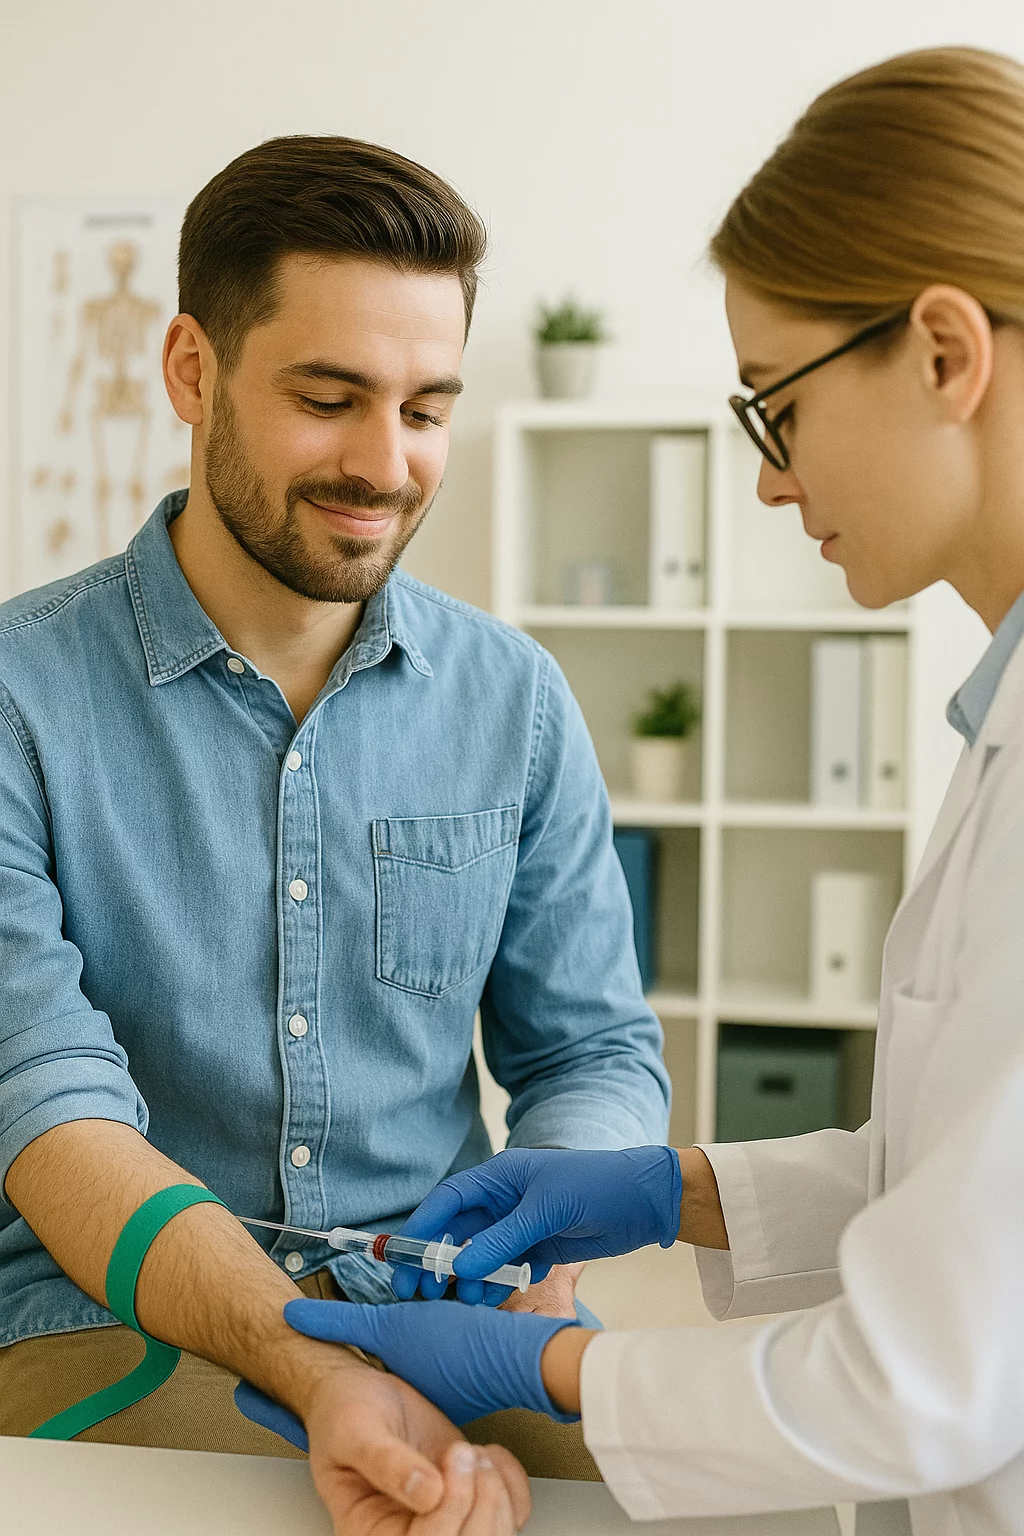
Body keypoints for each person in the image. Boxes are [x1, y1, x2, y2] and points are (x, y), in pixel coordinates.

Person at [248, 47, 1024, 1536]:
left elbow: (920, 1371)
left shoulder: (509, 697)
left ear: (943, 353)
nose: (769, 486)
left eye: (773, 412)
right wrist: (670, 1191)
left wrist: (558, 1370)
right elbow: (960, 1187)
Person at [0, 135, 672, 1535]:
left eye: (428, 407)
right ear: (193, 370)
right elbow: (49, 1112)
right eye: (329, 399)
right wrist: (311, 1368)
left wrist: (539, 1262)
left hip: (449, 1310)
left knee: (696, 1497)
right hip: (111, 1323)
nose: (386, 462)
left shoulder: (518, 702)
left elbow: (592, 1055)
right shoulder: (19, 698)